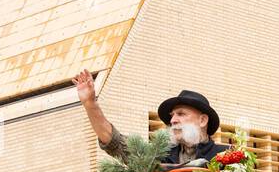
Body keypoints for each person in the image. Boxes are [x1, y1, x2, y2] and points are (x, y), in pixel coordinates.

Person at [74, 69, 223, 166]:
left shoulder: (226, 158)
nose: (172, 120)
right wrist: (90, 104)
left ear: (203, 120)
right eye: (172, 116)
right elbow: (114, 141)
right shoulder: (158, 156)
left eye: (181, 114)